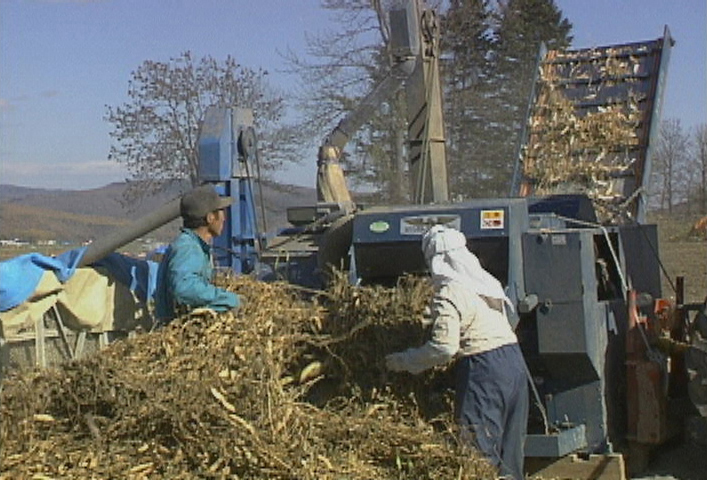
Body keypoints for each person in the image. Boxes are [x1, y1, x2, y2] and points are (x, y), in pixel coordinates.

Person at [385, 225, 528, 480]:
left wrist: (405, 361)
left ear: (436, 260)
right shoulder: (486, 283)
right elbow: (509, 317)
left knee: (477, 457)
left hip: (485, 369)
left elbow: (444, 348)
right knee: (510, 458)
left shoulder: (449, 291)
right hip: (514, 363)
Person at [154, 185, 241, 323]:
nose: (224, 218)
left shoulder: (196, 246)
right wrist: (230, 299)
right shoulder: (188, 247)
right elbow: (184, 288)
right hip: (177, 332)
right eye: (221, 211)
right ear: (210, 218)